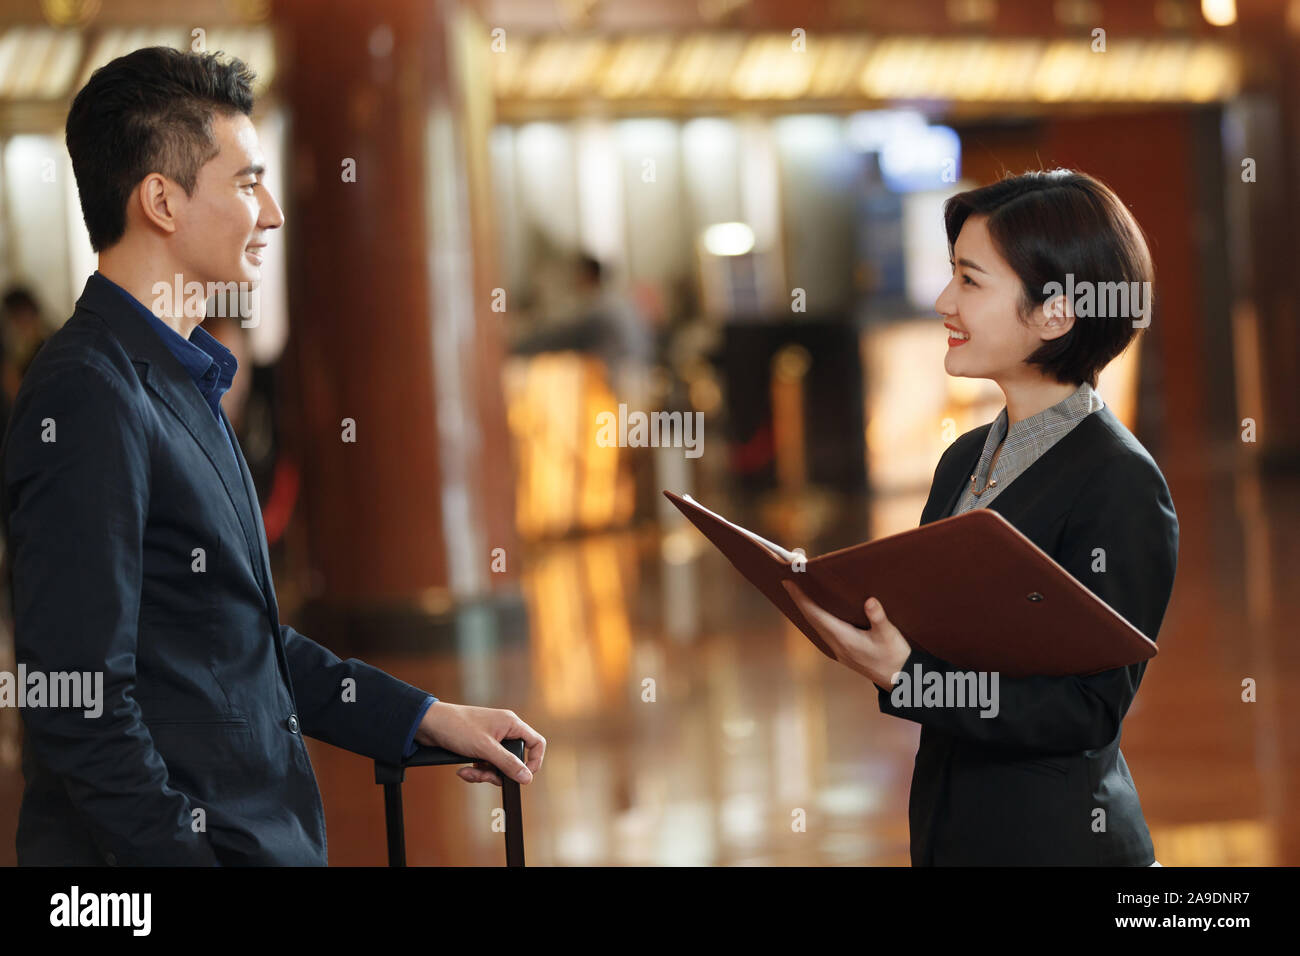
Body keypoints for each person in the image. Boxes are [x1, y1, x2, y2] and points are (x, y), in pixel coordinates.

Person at [0, 46, 544, 866]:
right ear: (162, 201)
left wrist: (422, 716)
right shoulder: (89, 392)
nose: (274, 213)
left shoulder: (181, 375)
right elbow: (79, 708)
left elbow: (233, 640)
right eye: (248, 182)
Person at [784, 169, 1178, 866]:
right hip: (952, 831)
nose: (943, 300)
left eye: (970, 281)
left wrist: (910, 677)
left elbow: (1087, 711)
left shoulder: (1119, 482)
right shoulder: (964, 458)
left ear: (1055, 311)